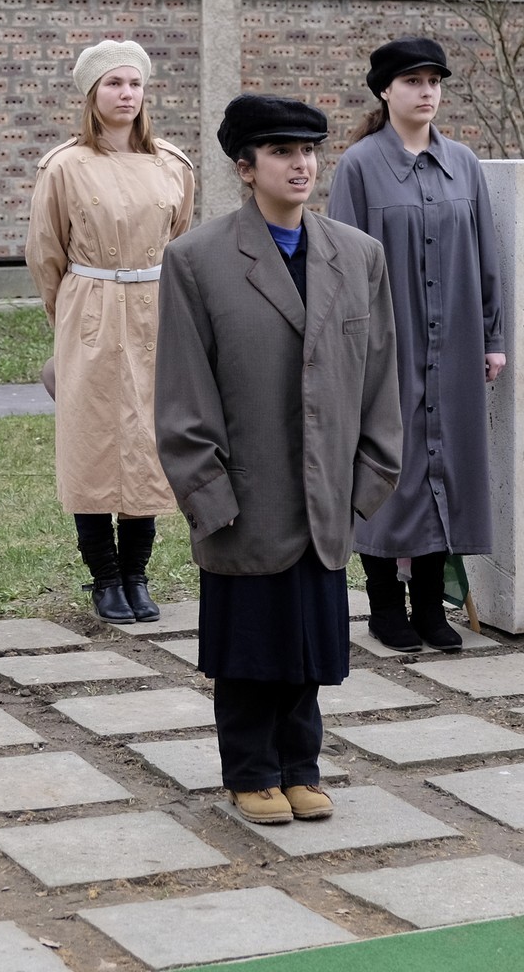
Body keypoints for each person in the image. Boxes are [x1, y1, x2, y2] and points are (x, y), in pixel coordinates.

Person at [157, 94, 401, 825]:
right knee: (250, 643)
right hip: (246, 491)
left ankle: (301, 765)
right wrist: (208, 492)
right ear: (245, 167)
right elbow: (182, 389)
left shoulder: (358, 255)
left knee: (310, 643)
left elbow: (381, 376)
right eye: (281, 152)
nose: (301, 165)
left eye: (308, 151)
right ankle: (251, 770)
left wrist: (369, 479)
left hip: (327, 491)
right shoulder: (197, 260)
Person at [327, 37, 504, 654]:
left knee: (447, 465)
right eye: (412, 81)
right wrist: (354, 350)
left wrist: (493, 338)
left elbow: (487, 258)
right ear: (385, 91)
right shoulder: (359, 166)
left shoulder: (465, 165)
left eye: (434, 81)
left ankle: (431, 606)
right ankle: (384, 607)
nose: (427, 92)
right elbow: (341, 266)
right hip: (387, 347)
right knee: (390, 466)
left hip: (455, 345)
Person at [26, 40, 194, 623]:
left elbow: (179, 239)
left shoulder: (172, 164)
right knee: (92, 441)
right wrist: (72, 319)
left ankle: (137, 573)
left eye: (134, 83)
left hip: (155, 310)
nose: (126, 94)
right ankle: (104, 576)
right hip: (90, 307)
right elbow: (46, 252)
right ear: (92, 94)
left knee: (147, 441)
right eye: (113, 84)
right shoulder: (64, 165)